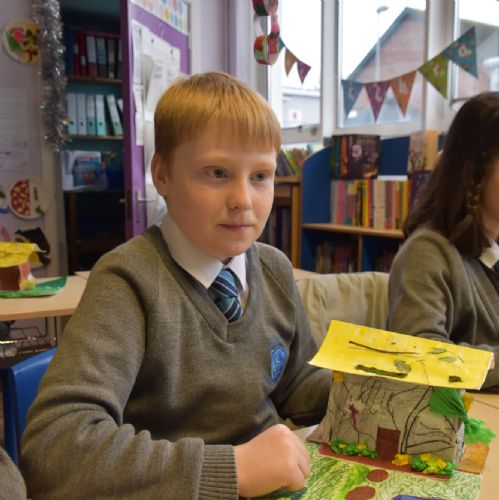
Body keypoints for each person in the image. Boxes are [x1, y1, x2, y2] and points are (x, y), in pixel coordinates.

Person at [20, 72, 331, 499]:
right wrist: (233, 468)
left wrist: (371, 394)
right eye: (218, 172)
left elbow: (296, 385)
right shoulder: (128, 281)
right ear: (162, 174)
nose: (243, 200)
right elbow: (54, 449)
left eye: (261, 176)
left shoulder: (274, 268)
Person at [387, 91, 499, 391]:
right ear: (475, 171)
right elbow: (420, 356)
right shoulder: (427, 253)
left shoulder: (493, 246)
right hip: (462, 415)